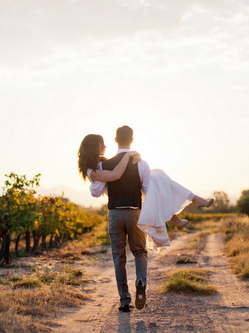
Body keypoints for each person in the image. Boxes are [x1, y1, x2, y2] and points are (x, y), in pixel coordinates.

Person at [77, 126, 213, 312]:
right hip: (135, 213)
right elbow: (149, 193)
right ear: (132, 139)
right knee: (140, 252)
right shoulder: (141, 163)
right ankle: (141, 281)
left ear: (116, 140)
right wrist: (165, 211)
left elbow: (97, 191)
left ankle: (124, 301)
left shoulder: (103, 165)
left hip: (115, 214)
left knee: (119, 257)